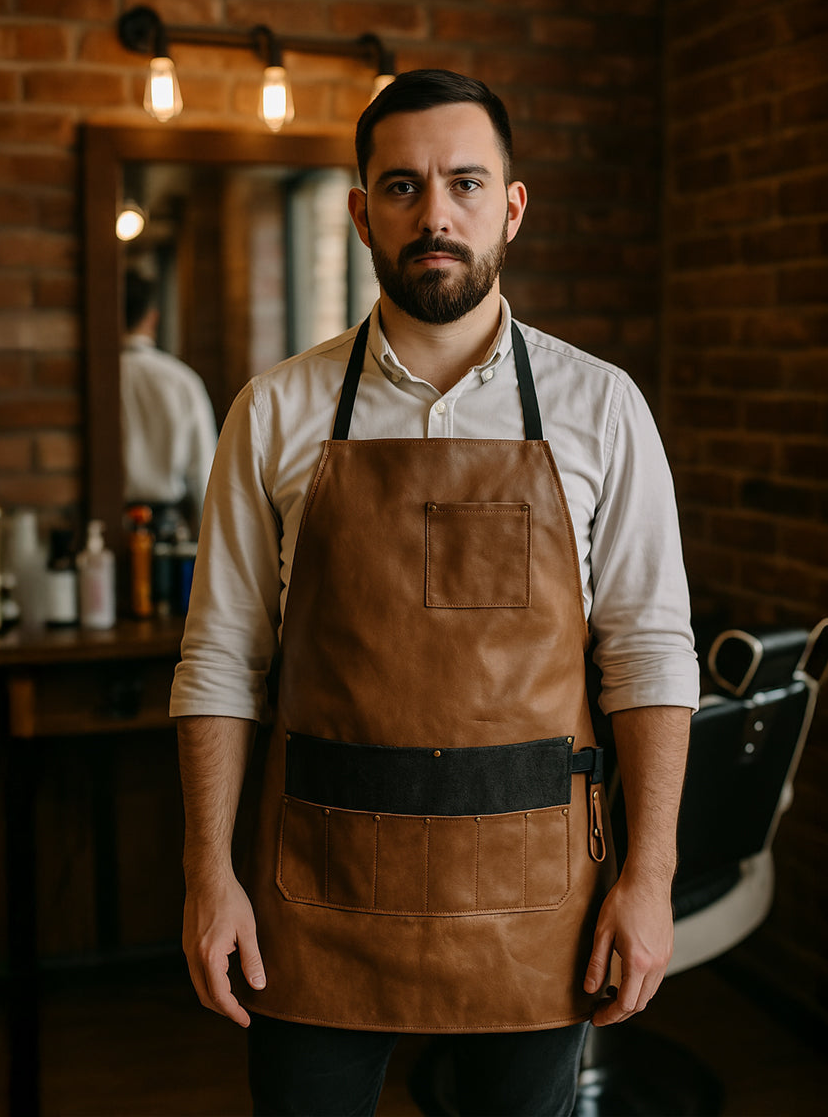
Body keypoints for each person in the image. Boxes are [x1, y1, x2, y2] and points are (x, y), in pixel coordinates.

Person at [170, 69, 698, 1117]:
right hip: (313, 893)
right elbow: (222, 657)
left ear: (512, 205)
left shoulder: (602, 408)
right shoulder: (274, 411)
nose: (435, 215)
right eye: (403, 187)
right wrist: (207, 874)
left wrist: (649, 877)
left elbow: (649, 652)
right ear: (363, 211)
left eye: (464, 183)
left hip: (535, 895)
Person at [119, 271, 218, 531]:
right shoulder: (182, 381)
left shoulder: (95, 381)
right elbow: (203, 474)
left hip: (106, 526)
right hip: (167, 530)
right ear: (152, 319)